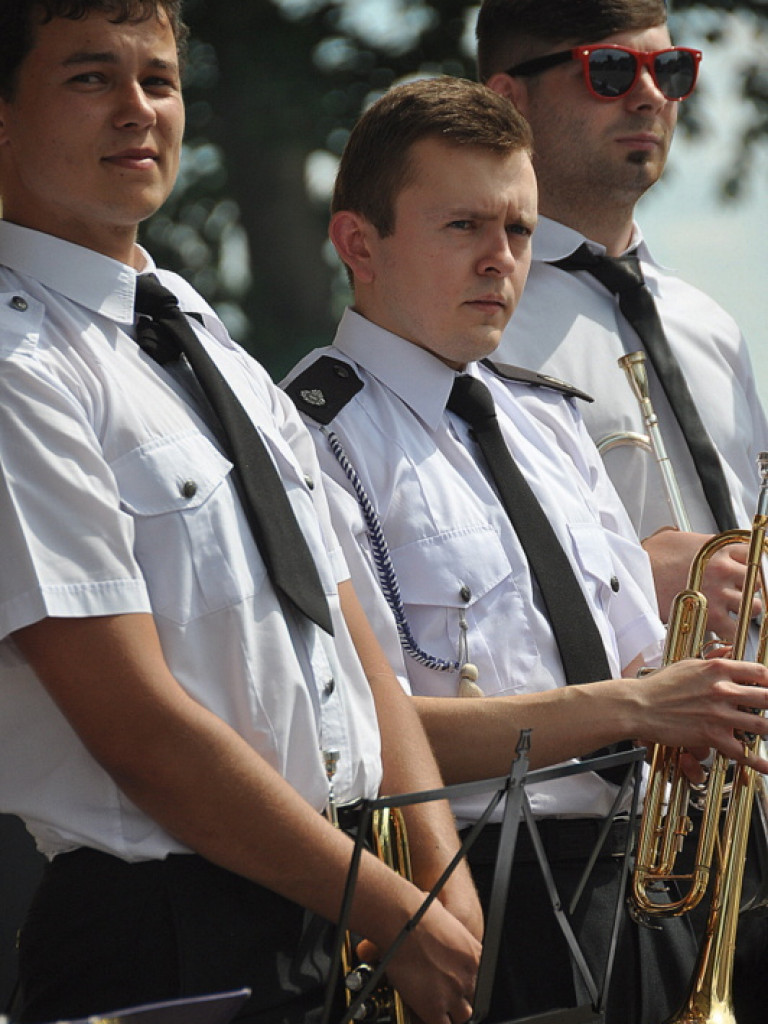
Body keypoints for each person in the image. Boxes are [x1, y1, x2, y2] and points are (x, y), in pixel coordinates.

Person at [0, 4, 484, 1024]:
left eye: (160, 81)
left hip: (326, 905)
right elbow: (135, 724)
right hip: (164, 933)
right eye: (92, 79)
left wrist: (436, 877)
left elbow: (345, 622)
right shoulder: (20, 371)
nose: (139, 111)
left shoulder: (198, 335)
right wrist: (388, 907)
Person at [283, 75, 768, 1024]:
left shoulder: (544, 419)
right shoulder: (308, 437)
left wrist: (698, 713)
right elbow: (365, 737)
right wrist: (635, 705)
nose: (502, 261)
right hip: (473, 892)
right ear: (358, 245)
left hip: (637, 892)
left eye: (519, 231)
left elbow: (636, 658)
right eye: (463, 227)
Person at [475, 3, 768, 1020]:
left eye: (672, 70)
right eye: (610, 71)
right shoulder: (479, 314)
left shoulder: (708, 320)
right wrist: (632, 573)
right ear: (508, 96)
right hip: (615, 819)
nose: (651, 95)